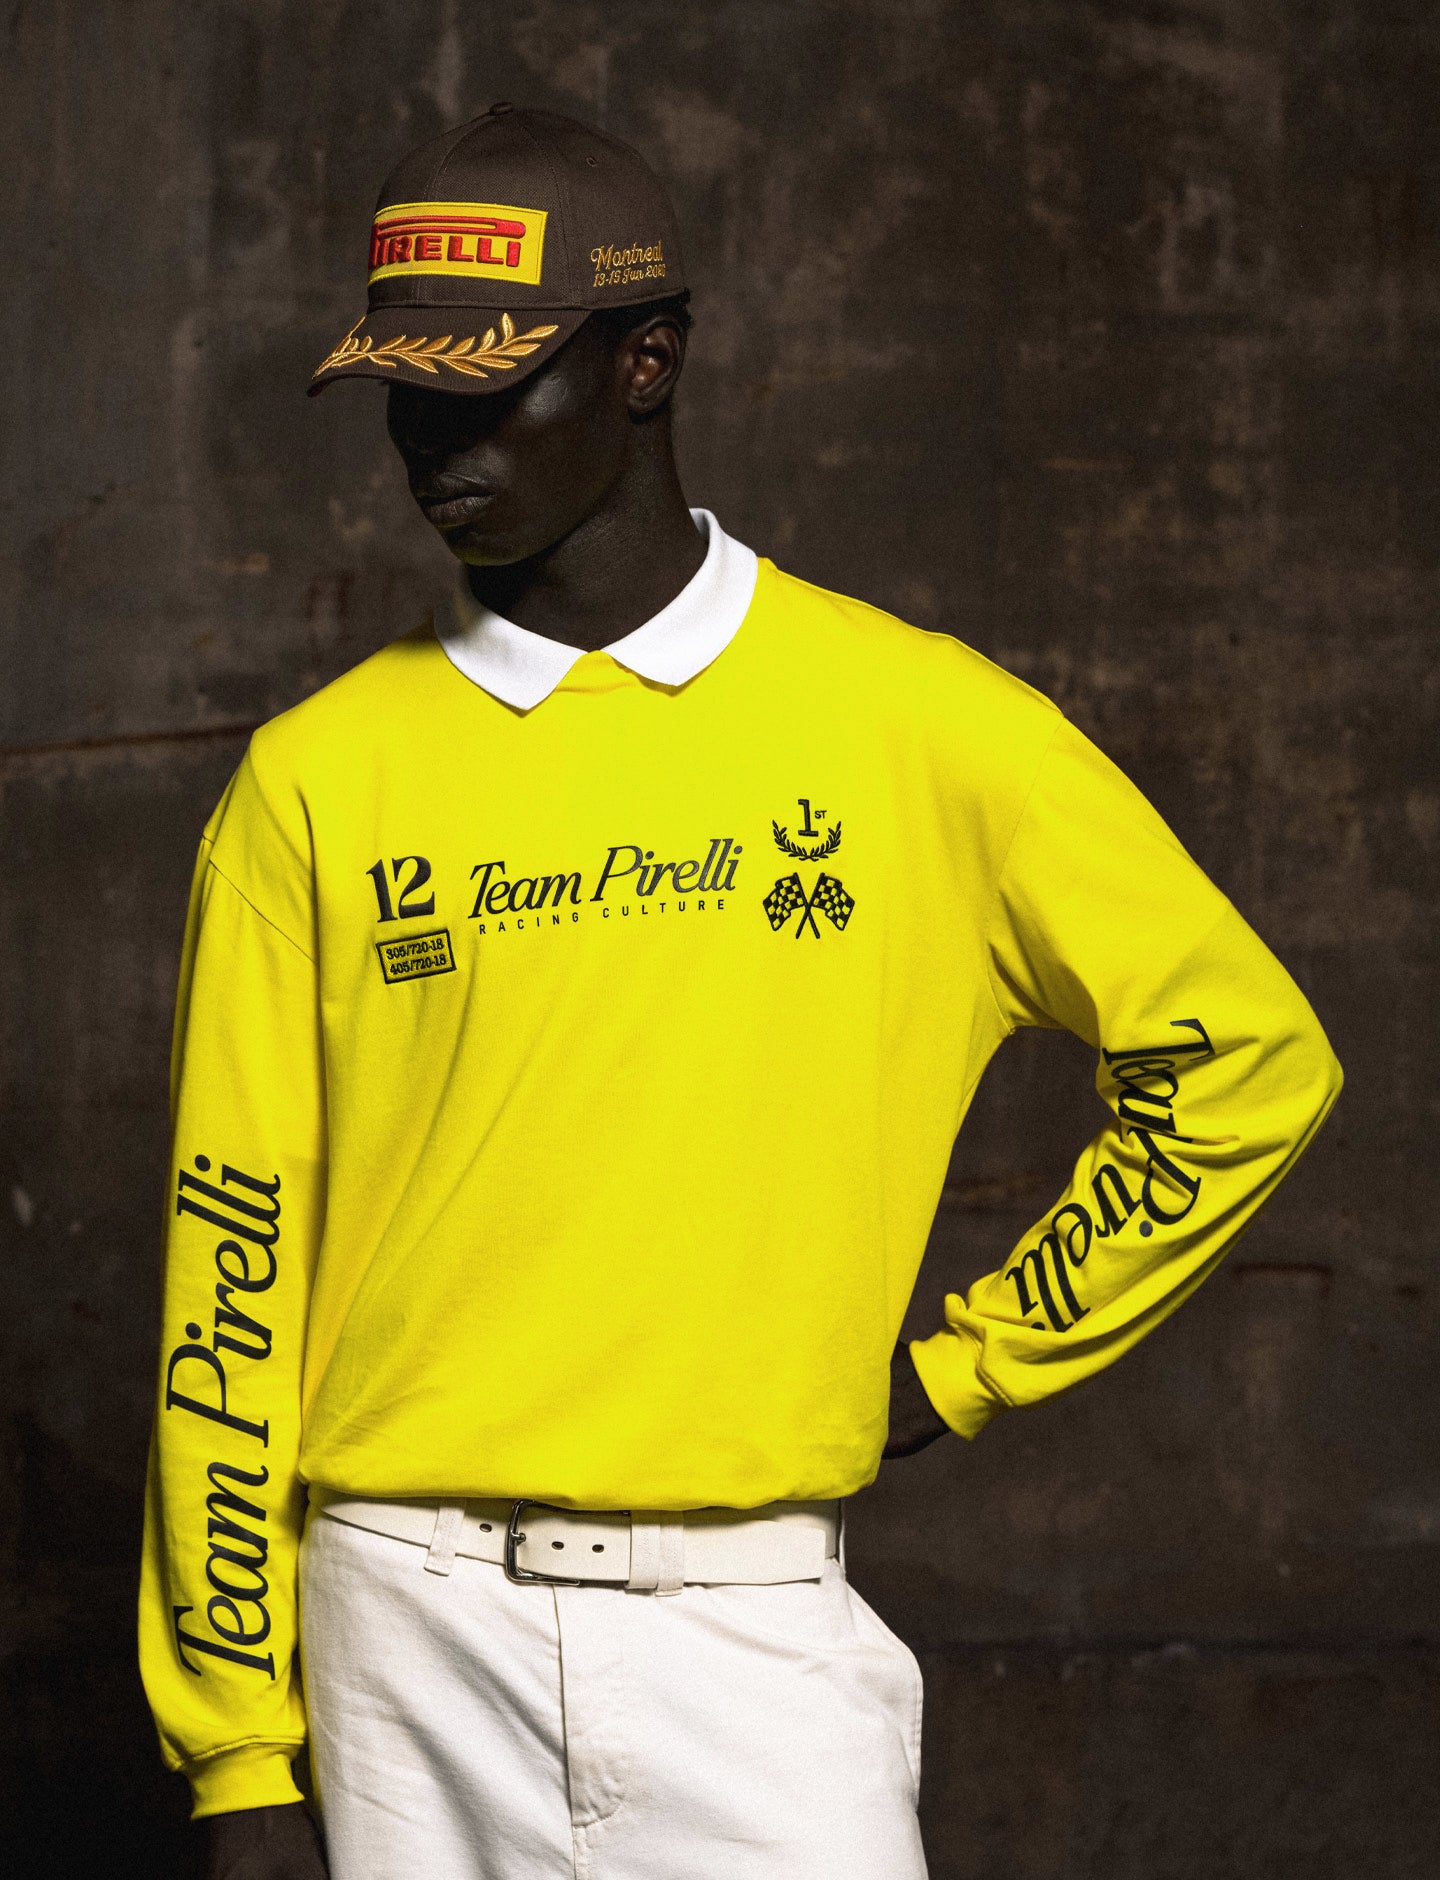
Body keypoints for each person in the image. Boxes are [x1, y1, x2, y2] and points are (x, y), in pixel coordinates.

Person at [138, 105, 1342, 1880]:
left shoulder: (923, 728)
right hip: (397, 1632)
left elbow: (1245, 1062)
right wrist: (240, 1761)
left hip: (753, 1630)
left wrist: (963, 1367)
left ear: (649, 362)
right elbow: (230, 1272)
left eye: (488, 388)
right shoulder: (313, 784)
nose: (431, 444)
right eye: (406, 392)